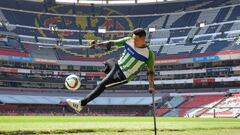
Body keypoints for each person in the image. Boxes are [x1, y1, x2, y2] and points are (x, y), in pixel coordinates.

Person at [66, 28, 155, 112]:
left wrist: (151, 86)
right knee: (108, 62)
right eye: (133, 38)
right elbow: (111, 43)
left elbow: (150, 72)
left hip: (124, 74)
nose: (133, 41)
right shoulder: (129, 40)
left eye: (136, 39)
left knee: (102, 84)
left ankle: (80, 104)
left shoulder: (148, 54)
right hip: (117, 64)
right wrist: (97, 44)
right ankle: (109, 77)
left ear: (143, 39)